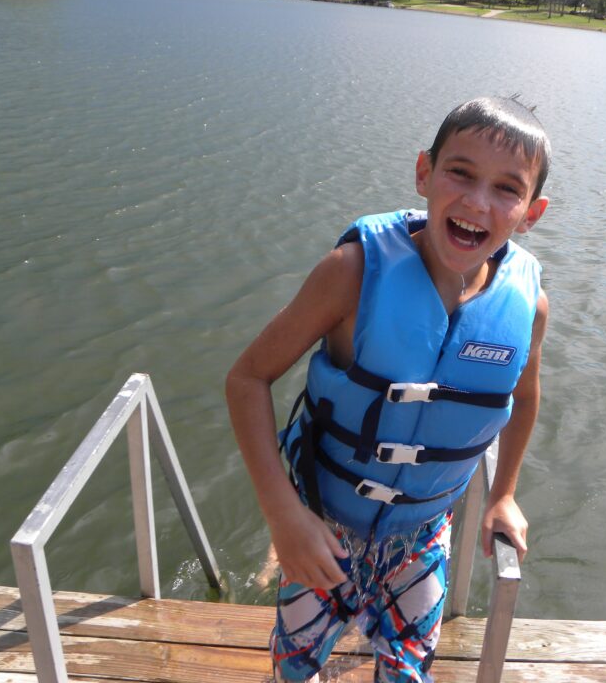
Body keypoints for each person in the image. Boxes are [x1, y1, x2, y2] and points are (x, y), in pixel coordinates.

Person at [226, 96, 551, 682]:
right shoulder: (352, 271)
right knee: (296, 663)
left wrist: (503, 495)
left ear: (531, 212)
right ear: (424, 172)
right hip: (324, 523)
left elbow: (523, 398)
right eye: (460, 172)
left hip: (423, 536)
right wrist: (283, 517)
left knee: (406, 672)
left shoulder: (529, 306)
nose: (478, 202)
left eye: (508, 188)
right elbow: (247, 378)